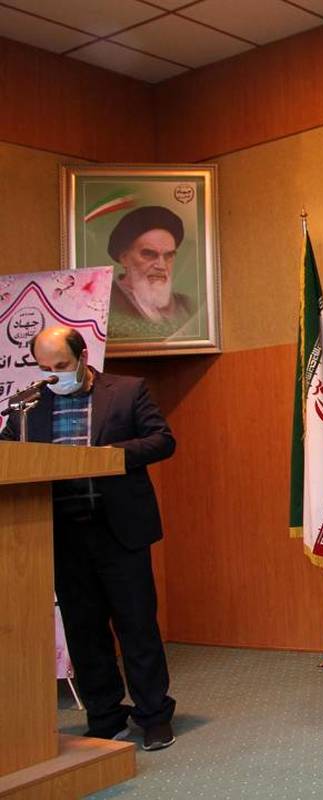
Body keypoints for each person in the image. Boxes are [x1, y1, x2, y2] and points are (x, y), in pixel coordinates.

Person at [0, 326, 177, 750]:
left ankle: (153, 715)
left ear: (82, 357)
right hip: (62, 531)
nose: (54, 376)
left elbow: (162, 440)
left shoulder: (127, 391)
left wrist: (111, 456)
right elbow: (7, 452)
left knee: (136, 626)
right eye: (45, 368)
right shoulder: (28, 405)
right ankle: (105, 716)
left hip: (118, 528)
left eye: (61, 365)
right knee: (84, 631)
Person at [106, 205, 195, 338]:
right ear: (124, 258)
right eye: (149, 254)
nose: (161, 266)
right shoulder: (104, 305)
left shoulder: (186, 306)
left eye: (169, 256)